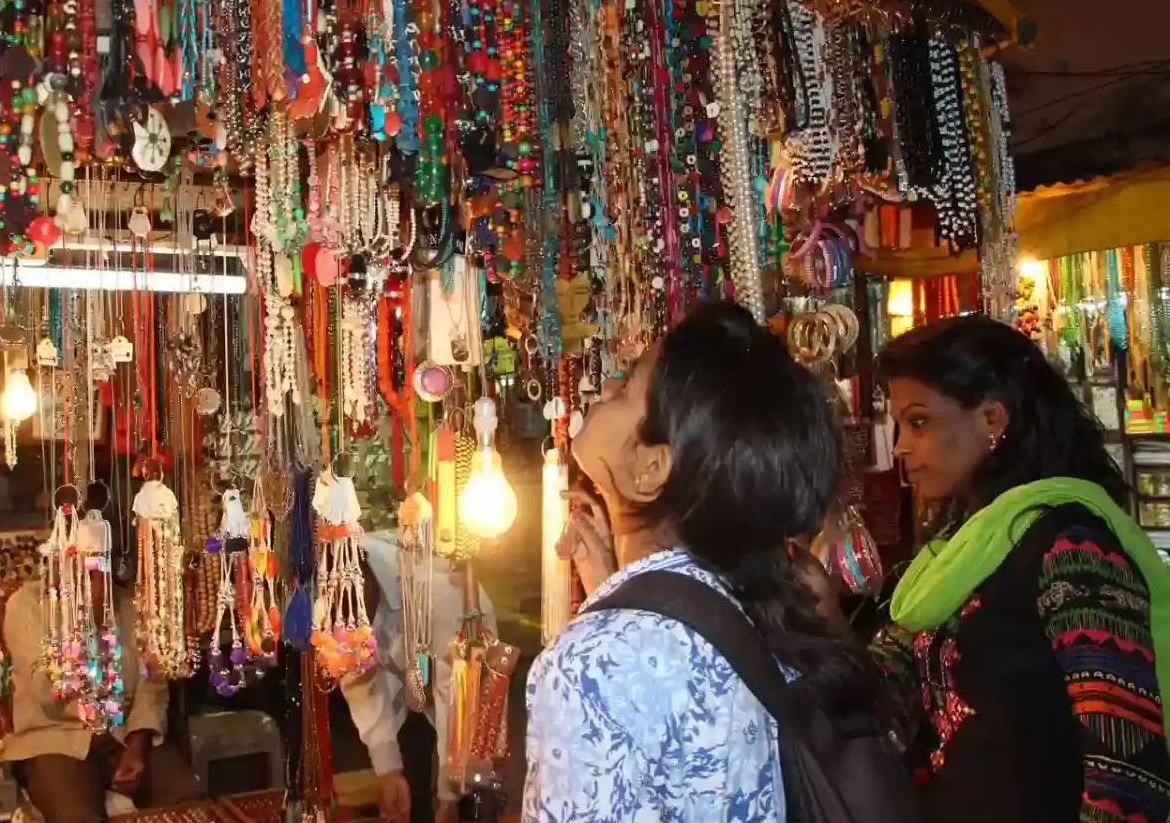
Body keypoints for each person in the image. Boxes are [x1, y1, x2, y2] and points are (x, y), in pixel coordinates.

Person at [523, 302, 876, 822]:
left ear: (650, 467)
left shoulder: (592, 665)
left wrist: (612, 619)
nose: (603, 390)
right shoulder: (769, 597)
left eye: (625, 389)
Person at [868, 314, 1170, 821]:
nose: (900, 445)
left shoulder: (1072, 550)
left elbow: (1125, 769)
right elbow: (884, 678)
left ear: (992, 418)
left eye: (918, 421)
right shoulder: (962, 548)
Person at [0, 516, 201, 823]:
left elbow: (151, 684)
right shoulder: (25, 606)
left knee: (188, 801)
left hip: (121, 736)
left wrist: (138, 745)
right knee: (77, 817)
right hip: (53, 739)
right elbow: (47, 693)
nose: (98, 582)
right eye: (84, 571)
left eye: (102, 569)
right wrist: (87, 622)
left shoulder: (129, 607)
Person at [341, 524, 497, 823]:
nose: (347, 622)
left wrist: (449, 798)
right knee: (408, 786)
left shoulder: (440, 595)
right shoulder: (332, 591)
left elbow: (458, 700)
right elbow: (358, 679)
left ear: (368, 583)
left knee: (472, 790)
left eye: (355, 611)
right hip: (407, 688)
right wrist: (388, 770)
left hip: (465, 679)